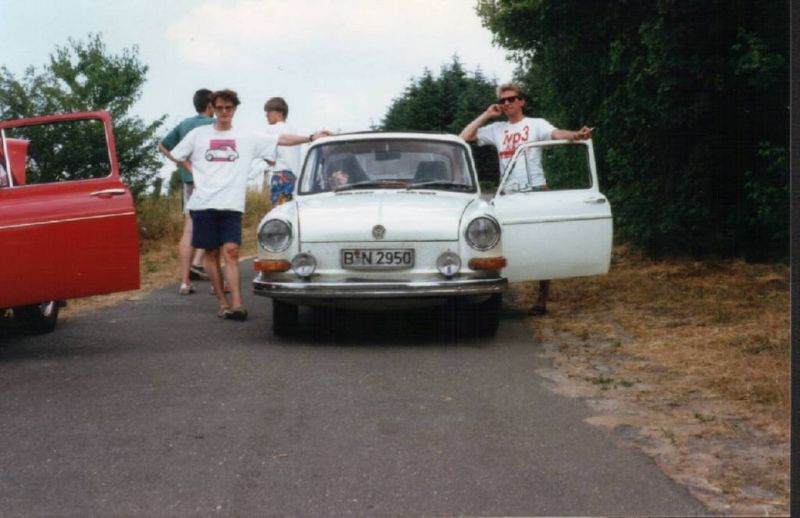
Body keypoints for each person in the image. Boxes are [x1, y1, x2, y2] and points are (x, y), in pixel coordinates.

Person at [163, 89, 330, 321]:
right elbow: (176, 153)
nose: (224, 112)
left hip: (232, 205)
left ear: (234, 110)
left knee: (231, 252)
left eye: (228, 108)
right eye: (219, 108)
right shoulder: (199, 134)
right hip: (203, 204)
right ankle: (222, 303)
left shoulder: (246, 136)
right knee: (211, 254)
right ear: (213, 108)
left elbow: (281, 139)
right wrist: (195, 172)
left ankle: (237, 304)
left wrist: (311, 137)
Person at [459, 82, 592, 316]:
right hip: (509, 193)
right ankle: (499, 293)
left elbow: (557, 134)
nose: (507, 104)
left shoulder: (535, 124)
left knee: (542, 243)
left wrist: (575, 135)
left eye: (511, 99)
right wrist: (487, 114)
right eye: (503, 100)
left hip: (536, 189)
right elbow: (464, 137)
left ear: (521, 101)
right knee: (502, 242)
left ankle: (542, 299)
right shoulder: (497, 129)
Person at [158, 88, 215, 296]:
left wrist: (182, 163)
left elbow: (163, 146)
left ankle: (185, 282)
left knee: (189, 229)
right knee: (213, 227)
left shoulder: (184, 124)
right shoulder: (214, 124)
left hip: (189, 182)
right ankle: (215, 282)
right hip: (210, 182)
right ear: (210, 105)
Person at [262, 97, 301, 206]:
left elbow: (271, 160)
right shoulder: (295, 131)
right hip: (294, 177)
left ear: (280, 113)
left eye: (269, 111)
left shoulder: (271, 130)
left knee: (278, 210)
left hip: (280, 175)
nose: (266, 115)